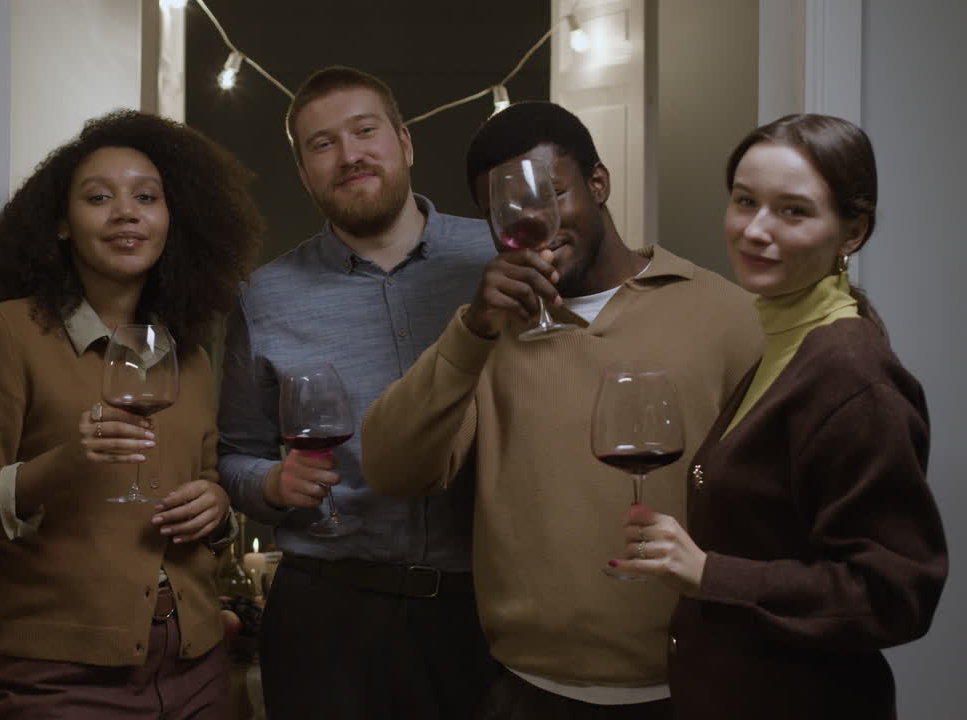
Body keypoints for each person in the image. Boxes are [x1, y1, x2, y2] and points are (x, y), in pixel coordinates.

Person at [360, 101, 763, 719]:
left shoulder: (728, 317)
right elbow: (391, 469)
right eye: (505, 211)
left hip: (696, 689)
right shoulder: (485, 334)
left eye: (551, 194)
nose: (533, 222)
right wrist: (473, 330)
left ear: (598, 184)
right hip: (528, 692)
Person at [609, 114, 948, 719]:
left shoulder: (850, 371)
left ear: (852, 233)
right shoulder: (786, 337)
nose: (754, 230)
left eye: (793, 211)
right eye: (745, 201)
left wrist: (710, 573)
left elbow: (894, 594)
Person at [217, 65, 501, 719]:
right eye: (323, 144)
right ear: (304, 171)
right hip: (330, 615)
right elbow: (232, 456)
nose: (349, 156)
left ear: (404, 142)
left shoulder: (489, 259)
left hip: (490, 608)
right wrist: (270, 483)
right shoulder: (264, 296)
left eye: (365, 131)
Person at [0, 109, 263, 719]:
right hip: (55, 676)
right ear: (63, 224)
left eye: (147, 197)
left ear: (172, 220)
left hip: (196, 666)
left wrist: (220, 510)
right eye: (99, 197)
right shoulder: (4, 335)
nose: (126, 212)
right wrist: (65, 465)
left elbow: (207, 499)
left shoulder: (192, 358)